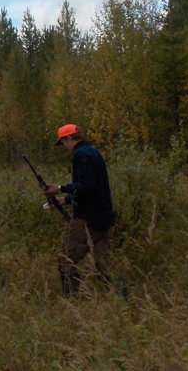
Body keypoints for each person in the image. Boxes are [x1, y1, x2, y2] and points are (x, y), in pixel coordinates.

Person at [43, 124, 127, 297]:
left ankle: (72, 303)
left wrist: (60, 188)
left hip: (87, 219)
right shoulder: (93, 152)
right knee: (103, 263)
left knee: (65, 261)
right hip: (103, 217)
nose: (64, 148)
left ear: (68, 139)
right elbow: (94, 188)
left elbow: (87, 186)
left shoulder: (80, 155)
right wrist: (65, 200)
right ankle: (125, 300)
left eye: (63, 143)